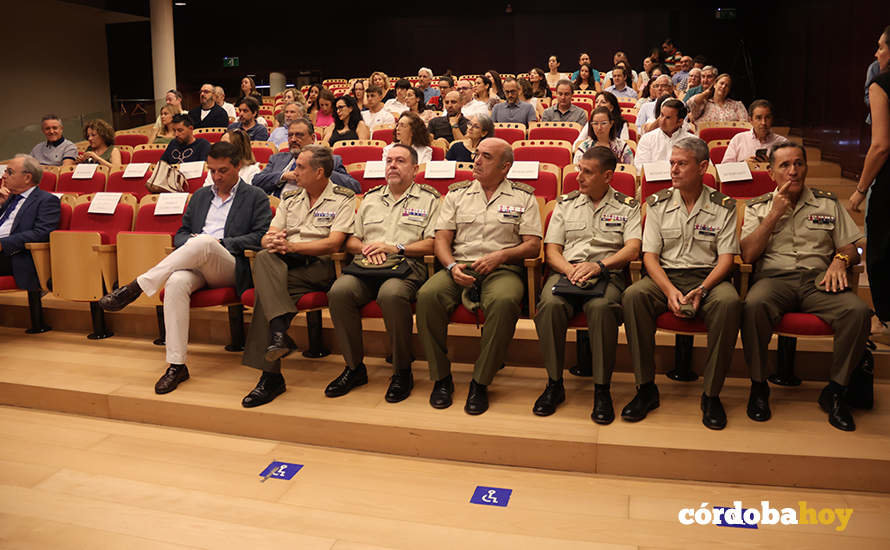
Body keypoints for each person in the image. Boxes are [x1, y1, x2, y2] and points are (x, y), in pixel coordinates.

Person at [98, 141, 272, 394]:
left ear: (237, 167)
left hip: (232, 266)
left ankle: (136, 286)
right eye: (212, 170)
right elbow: (181, 234)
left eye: (222, 170)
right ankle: (176, 365)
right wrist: (192, 242)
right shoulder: (201, 196)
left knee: (203, 241)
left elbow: (260, 236)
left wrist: (219, 242)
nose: (216, 176)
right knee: (176, 282)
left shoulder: (255, 196)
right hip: (197, 261)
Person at [740, 142, 869, 432]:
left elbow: (854, 247)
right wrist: (774, 214)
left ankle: (836, 391)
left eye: (798, 164)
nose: (793, 171)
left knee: (858, 312)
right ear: (772, 173)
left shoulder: (827, 202)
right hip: (774, 280)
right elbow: (748, 255)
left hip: (819, 280)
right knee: (753, 305)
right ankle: (759, 386)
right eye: (784, 166)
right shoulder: (758, 206)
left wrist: (840, 259)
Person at [621, 137, 741, 430]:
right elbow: (649, 256)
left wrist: (703, 289)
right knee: (633, 295)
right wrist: (669, 290)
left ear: (702, 167)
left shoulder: (723, 206)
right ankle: (646, 388)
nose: (673, 170)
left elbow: (726, 260)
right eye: (672, 163)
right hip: (667, 276)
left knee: (729, 303)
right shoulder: (658, 203)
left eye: (681, 164)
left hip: (708, 277)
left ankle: (711, 395)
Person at [416, 138, 542, 415]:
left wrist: (502, 255)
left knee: (505, 301)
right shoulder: (457, 194)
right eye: (477, 155)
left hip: (502, 268)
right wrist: (450, 267)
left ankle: (480, 381)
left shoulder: (523, 197)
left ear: (505, 166)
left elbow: (533, 244)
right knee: (427, 296)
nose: (477, 161)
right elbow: (441, 239)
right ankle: (441, 378)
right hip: (459, 266)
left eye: (486, 156)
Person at [239, 145, 356, 408]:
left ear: (319, 172)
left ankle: (270, 378)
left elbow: (333, 244)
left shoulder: (343, 198)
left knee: (264, 295)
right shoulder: (290, 199)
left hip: (321, 266)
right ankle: (278, 338)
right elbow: (270, 234)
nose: (294, 172)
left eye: (300, 167)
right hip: (287, 264)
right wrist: (272, 239)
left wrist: (291, 246)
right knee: (266, 256)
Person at [326, 145, 441, 402]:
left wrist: (395, 247)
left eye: (400, 161)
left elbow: (433, 243)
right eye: (389, 160)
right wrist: (368, 249)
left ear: (415, 168)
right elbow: (351, 241)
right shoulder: (370, 198)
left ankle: (402, 370)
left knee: (391, 294)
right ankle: (354, 368)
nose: (392, 165)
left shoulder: (429, 199)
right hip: (367, 266)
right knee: (339, 291)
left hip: (407, 266)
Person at [534, 146, 641, 420]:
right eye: (578, 169)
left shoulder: (627, 207)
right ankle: (554, 384)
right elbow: (552, 250)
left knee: (602, 308)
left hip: (607, 275)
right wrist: (571, 271)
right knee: (548, 305)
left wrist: (599, 265)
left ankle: (602, 389)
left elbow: (632, 248)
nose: (578, 177)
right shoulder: (565, 204)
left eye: (587, 172)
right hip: (566, 273)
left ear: (607, 176)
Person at [849, 25, 890, 346]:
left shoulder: (881, 83)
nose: (877, 54)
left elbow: (880, 146)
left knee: (880, 247)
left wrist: (860, 189)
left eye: (881, 47)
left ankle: (885, 319)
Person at [0, 155, 61, 294]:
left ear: (27, 178)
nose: (4, 176)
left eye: (9, 172)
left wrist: (3, 244)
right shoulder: (8, 198)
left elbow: (41, 233)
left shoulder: (46, 201)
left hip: (14, 255)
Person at [253, 118, 360, 196]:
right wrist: (284, 176)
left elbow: (354, 187)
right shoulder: (277, 158)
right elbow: (256, 182)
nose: (293, 139)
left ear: (313, 138)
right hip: (279, 208)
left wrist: (321, 173)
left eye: (299, 135)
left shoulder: (331, 160)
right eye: (290, 135)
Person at [722, 100, 788, 163]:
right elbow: (724, 168)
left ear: (772, 119)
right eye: (759, 118)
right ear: (750, 120)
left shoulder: (782, 143)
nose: (763, 122)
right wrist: (743, 165)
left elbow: (789, 169)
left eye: (767, 117)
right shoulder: (738, 139)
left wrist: (770, 165)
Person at [634, 99, 690, 169]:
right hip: (653, 178)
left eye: (668, 118)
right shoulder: (647, 138)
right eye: (662, 115)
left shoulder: (692, 142)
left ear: (680, 122)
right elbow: (640, 167)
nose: (662, 121)